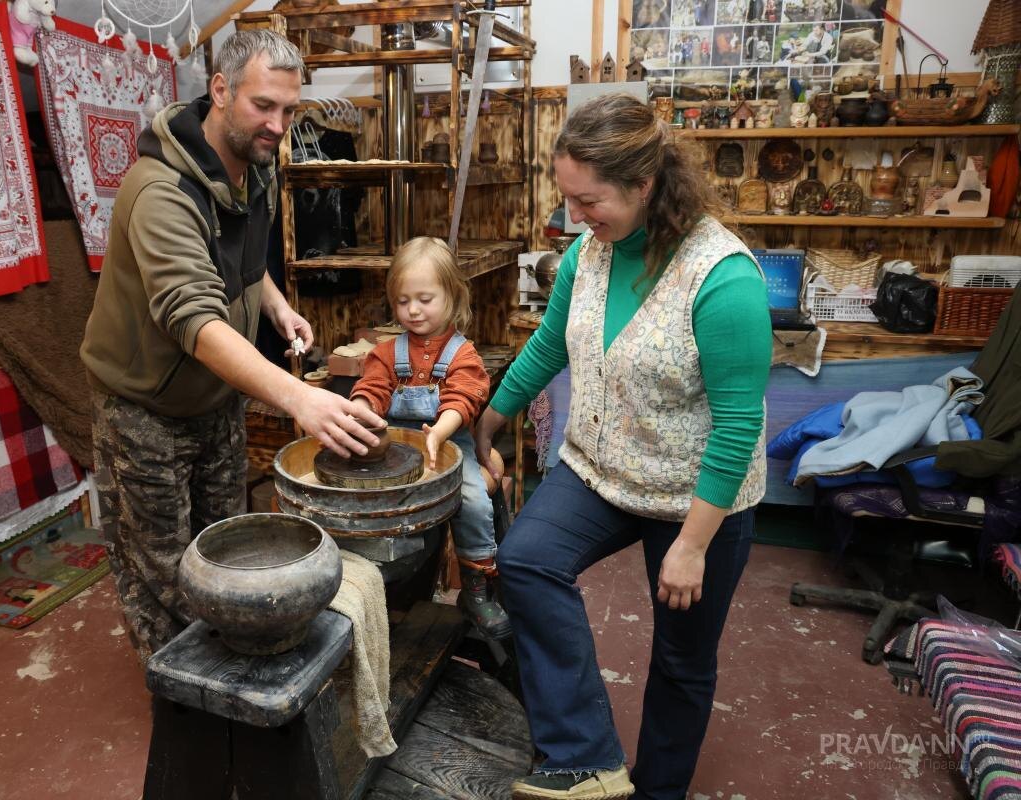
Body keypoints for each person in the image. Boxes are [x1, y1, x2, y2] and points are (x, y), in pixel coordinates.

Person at [474, 93, 771, 800]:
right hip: (599, 470)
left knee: (681, 658)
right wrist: (488, 419)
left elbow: (737, 427)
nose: (575, 216)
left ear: (643, 186)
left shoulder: (721, 279)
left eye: (588, 201)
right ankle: (587, 760)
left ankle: (658, 791)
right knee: (527, 562)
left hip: (696, 495)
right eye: (569, 201)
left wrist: (694, 543)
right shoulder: (589, 253)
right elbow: (551, 343)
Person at [81, 30, 384, 662]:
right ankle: (185, 718)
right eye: (263, 105)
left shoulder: (254, 168)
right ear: (219, 90)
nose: (278, 124)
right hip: (146, 415)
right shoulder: (160, 192)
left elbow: (242, 263)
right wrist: (301, 397)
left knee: (227, 551)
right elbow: (193, 319)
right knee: (165, 579)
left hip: (218, 401)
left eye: (289, 110)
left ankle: (230, 697)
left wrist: (273, 304)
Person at [349, 237, 509, 640]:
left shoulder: (462, 354)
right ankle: (379, 588)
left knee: (472, 499)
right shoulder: (387, 352)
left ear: (452, 297)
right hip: (399, 451)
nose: (413, 310)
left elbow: (463, 397)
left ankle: (475, 589)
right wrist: (364, 412)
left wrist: (440, 431)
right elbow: (372, 388)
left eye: (424, 299)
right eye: (403, 301)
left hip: (450, 448)